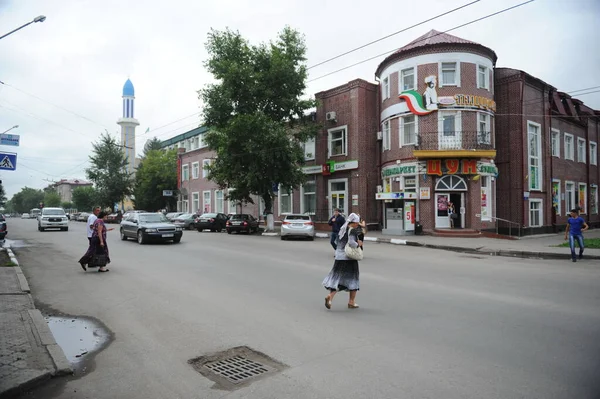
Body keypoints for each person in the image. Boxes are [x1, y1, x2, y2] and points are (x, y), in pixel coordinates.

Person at [322, 213, 363, 310]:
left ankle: (330, 297)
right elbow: (352, 243)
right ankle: (351, 302)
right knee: (353, 279)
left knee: (338, 279)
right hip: (348, 258)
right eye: (357, 223)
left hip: (339, 257)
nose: (357, 225)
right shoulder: (352, 230)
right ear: (353, 222)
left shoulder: (342, 229)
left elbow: (336, 242)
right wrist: (358, 243)